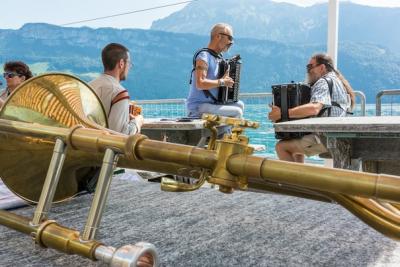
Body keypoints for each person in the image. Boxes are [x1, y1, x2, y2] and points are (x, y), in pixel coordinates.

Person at [268, 53, 355, 163]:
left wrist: (282, 113)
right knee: (295, 143)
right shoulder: (337, 81)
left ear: (322, 67)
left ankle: (293, 179)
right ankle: (298, 178)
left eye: (310, 67)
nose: (308, 71)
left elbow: (314, 108)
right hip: (338, 135)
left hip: (326, 138)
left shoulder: (323, 82)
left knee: (281, 147)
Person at [186, 23, 244, 118]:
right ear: (218, 36)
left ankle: (223, 131)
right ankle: (225, 132)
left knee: (240, 105)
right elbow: (200, 84)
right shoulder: (203, 56)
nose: (231, 42)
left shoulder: (218, 59)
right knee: (236, 112)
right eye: (229, 38)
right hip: (198, 107)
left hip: (211, 104)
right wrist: (222, 82)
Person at [89, 43, 143, 135]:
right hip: (103, 148)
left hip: (86, 145)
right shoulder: (119, 92)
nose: (129, 67)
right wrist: (137, 122)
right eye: (129, 63)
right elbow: (119, 135)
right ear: (121, 64)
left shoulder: (89, 86)